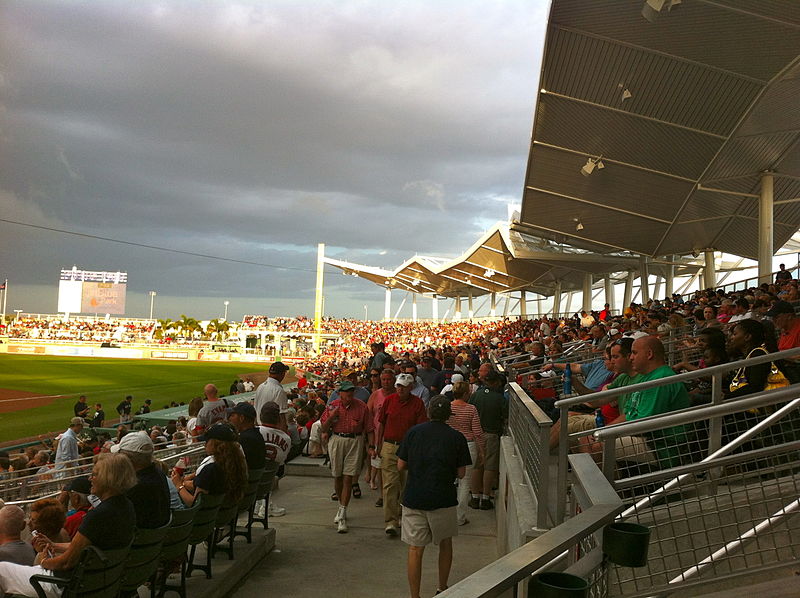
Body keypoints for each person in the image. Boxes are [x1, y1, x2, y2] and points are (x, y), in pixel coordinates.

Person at [0, 453, 138, 598]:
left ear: (108, 478)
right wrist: (55, 545)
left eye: (95, 474)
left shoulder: (98, 515)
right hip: (98, 582)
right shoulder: (126, 506)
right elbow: (86, 548)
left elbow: (66, 563)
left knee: (2, 569)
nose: (90, 478)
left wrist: (44, 561)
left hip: (64, 584)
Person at [398, 395, 471, 598]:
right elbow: (462, 473)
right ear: (449, 415)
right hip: (443, 499)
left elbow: (400, 465)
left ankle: (415, 595)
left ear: (429, 412)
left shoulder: (413, 433)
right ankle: (442, 587)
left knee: (415, 549)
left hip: (414, 497)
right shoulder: (456, 438)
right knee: (445, 543)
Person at [320, 380, 376, 533]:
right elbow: (324, 428)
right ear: (340, 393)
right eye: (346, 392)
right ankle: (341, 505)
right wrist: (331, 417)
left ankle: (343, 511)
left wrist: (371, 446)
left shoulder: (362, 407)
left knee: (348, 477)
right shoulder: (333, 406)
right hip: (337, 439)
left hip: (355, 440)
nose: (349, 394)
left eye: (351, 391)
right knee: (337, 476)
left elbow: (369, 428)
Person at [378, 373, 428, 536]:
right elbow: (381, 424)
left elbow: (421, 430)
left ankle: (402, 515)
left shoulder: (417, 404)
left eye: (404, 387)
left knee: (406, 484)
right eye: (399, 386)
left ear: (410, 388)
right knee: (390, 484)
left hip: (409, 449)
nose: (400, 389)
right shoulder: (389, 401)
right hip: (390, 446)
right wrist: (378, 446)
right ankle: (390, 521)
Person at [172, 422, 248, 507]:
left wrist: (178, 485)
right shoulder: (237, 462)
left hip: (207, 517)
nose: (205, 445)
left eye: (207, 441)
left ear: (215, 443)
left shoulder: (211, 469)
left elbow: (194, 504)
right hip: (227, 514)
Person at [111, 431, 171, 529]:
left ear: (128, 459)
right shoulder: (157, 473)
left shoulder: (137, 486)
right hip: (153, 537)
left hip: (139, 539)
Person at [446, 381, 484, 526]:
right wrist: (482, 451)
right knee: (464, 483)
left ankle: (446, 514)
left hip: (449, 446)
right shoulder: (471, 409)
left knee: (448, 481)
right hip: (468, 445)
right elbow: (478, 432)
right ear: (466, 393)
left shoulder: (448, 408)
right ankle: (459, 517)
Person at [468, 370, 507, 510]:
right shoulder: (499, 398)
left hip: (475, 434)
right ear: (496, 382)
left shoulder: (476, 395)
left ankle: (474, 497)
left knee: (477, 465)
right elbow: (505, 416)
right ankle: (485, 497)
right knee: (489, 466)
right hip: (491, 434)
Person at [257, 402, 292, 518]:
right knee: (273, 471)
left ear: (261, 416)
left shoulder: (254, 432)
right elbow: (281, 462)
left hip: (250, 479)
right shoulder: (286, 438)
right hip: (269, 477)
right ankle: (265, 503)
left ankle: (260, 503)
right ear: (278, 419)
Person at [227, 402, 266, 470]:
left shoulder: (244, 439)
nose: (229, 418)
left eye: (233, 415)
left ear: (241, 418)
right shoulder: (256, 434)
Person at [254, 362, 291, 426]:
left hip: (258, 427)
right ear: (282, 374)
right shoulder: (279, 391)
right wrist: (284, 434)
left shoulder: (260, 386)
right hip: (270, 430)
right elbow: (281, 417)